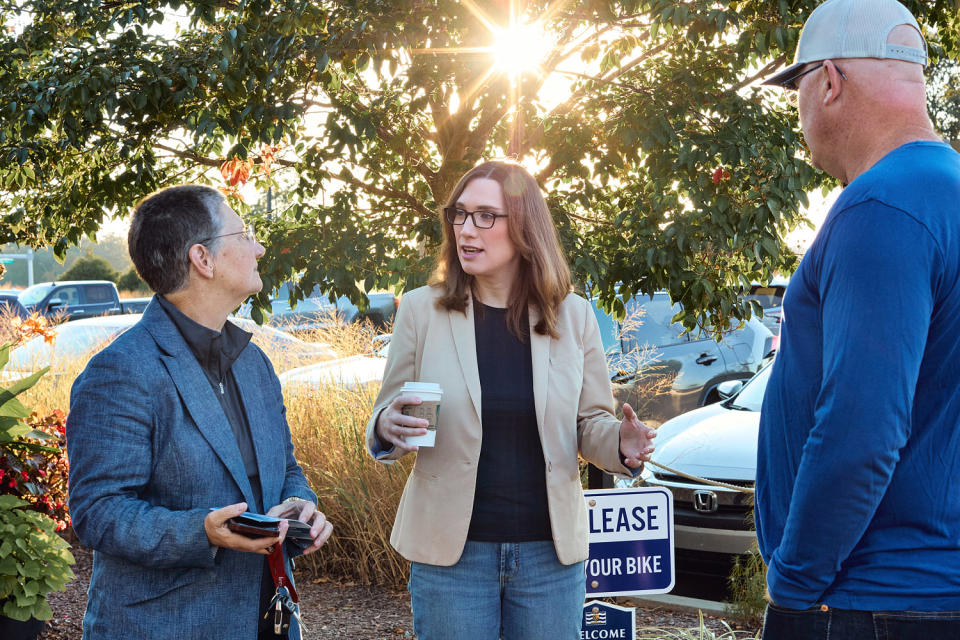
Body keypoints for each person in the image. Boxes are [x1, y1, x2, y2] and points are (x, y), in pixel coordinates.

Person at [365, 160, 657, 639]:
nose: (466, 229)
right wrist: (386, 428)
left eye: (485, 216)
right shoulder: (421, 309)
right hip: (451, 558)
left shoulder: (574, 316)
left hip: (549, 558)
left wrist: (623, 443)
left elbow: (590, 426)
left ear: (523, 228)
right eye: (459, 215)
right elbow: (388, 413)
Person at [757, 0, 960, 637]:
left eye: (797, 89)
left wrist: (793, 583)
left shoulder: (880, 206)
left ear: (829, 82)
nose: (801, 113)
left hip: (872, 600)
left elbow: (862, 429)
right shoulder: (945, 191)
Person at [67, 185, 334, 639]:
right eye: (245, 234)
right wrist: (202, 531)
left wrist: (300, 504)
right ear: (202, 260)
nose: (260, 247)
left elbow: (285, 466)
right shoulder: (119, 371)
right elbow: (98, 512)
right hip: (165, 625)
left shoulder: (255, 363)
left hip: (266, 620)